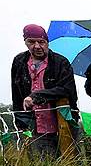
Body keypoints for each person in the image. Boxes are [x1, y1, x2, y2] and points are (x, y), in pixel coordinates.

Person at [11, 24, 78, 157]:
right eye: (31, 42)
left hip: (63, 122)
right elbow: (16, 93)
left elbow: (67, 90)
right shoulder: (19, 62)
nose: (37, 46)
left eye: (41, 42)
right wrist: (19, 121)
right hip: (34, 124)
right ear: (25, 42)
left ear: (47, 42)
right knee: (41, 164)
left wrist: (36, 96)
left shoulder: (60, 62)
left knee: (70, 161)